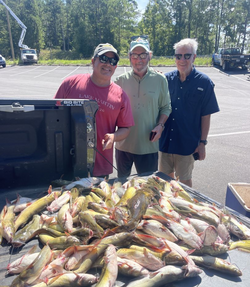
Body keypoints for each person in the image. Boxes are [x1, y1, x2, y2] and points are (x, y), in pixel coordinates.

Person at [54, 43, 134, 178]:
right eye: (103, 58)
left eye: (113, 61)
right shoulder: (70, 84)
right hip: (66, 162)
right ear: (93, 61)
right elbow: (53, 115)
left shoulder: (120, 96)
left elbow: (126, 128)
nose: (108, 64)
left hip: (101, 167)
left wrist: (114, 137)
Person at [159, 38, 220, 187]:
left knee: (184, 183)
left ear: (194, 57)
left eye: (187, 55)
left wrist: (202, 143)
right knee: (164, 181)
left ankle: (184, 210)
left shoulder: (204, 83)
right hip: (165, 142)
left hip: (186, 145)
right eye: (178, 56)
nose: (182, 59)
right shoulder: (166, 79)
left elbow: (206, 115)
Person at [115, 36, 172, 178]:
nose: (138, 59)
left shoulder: (160, 80)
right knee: (122, 187)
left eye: (143, 55)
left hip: (148, 146)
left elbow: (166, 107)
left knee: (147, 189)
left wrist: (160, 125)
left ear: (149, 56)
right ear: (129, 56)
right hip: (123, 146)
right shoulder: (119, 81)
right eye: (134, 55)